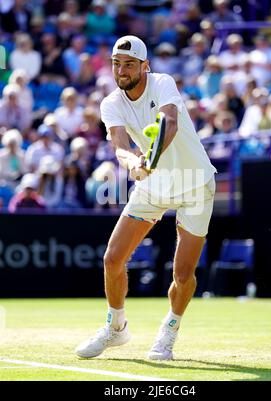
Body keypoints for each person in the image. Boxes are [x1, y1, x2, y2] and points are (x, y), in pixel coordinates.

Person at [75, 35, 216, 360]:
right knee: (112, 259)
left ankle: (169, 331)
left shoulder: (163, 83)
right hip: (154, 186)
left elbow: (169, 123)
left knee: (182, 274)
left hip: (195, 182)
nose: (121, 71)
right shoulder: (111, 103)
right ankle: (116, 328)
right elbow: (121, 147)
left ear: (144, 66)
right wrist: (135, 163)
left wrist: (149, 159)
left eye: (129, 64)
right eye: (117, 64)